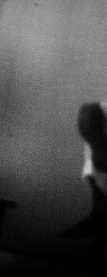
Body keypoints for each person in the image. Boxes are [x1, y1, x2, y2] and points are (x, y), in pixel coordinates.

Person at [60, 101, 107, 258]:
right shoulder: (94, 115)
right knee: (100, 213)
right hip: (97, 164)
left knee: (101, 215)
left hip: (98, 163)